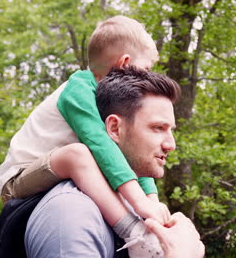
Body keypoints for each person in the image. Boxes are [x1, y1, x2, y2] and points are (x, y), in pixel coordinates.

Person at [0, 16, 169, 256]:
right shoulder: (78, 90)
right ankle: (132, 233)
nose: (148, 77)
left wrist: (152, 201)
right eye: (147, 69)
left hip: (55, 171)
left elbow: (128, 153)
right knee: (78, 155)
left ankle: (142, 230)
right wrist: (139, 203)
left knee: (87, 156)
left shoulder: (108, 99)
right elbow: (101, 145)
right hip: (19, 178)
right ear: (125, 63)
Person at [25, 67, 204, 258]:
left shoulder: (132, 205)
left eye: (171, 130)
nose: (171, 144)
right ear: (115, 129)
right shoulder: (70, 214)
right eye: (158, 128)